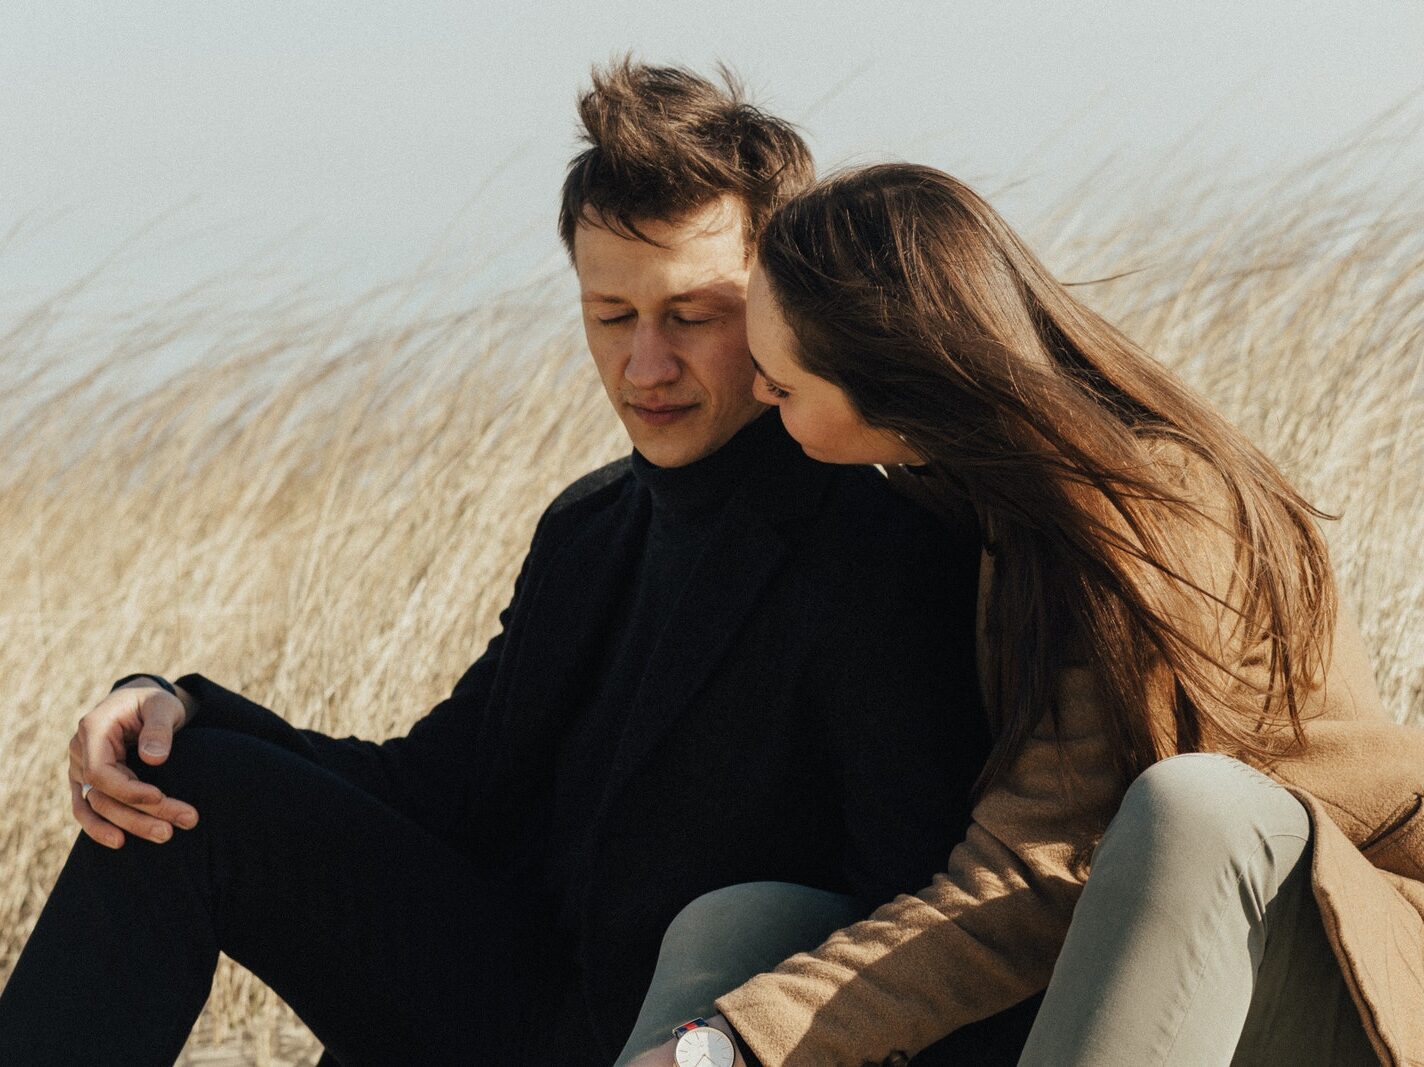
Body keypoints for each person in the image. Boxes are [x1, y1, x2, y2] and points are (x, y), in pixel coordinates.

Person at [0, 73, 1011, 1066]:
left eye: (691, 314)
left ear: (775, 301)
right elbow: (436, 788)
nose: (645, 365)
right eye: (611, 315)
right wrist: (166, 704)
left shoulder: (879, 545)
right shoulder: (586, 527)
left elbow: (911, 902)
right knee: (177, 783)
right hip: (507, 1003)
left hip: (672, 1038)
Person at [624, 164, 1424, 1067]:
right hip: (1092, 942)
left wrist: (748, 1039)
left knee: (1194, 807)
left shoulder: (1145, 511)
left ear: (895, 381)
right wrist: (717, 1038)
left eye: (782, 387)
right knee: (739, 921)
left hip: (1334, 961)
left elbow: (1040, 875)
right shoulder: (970, 506)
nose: (765, 406)